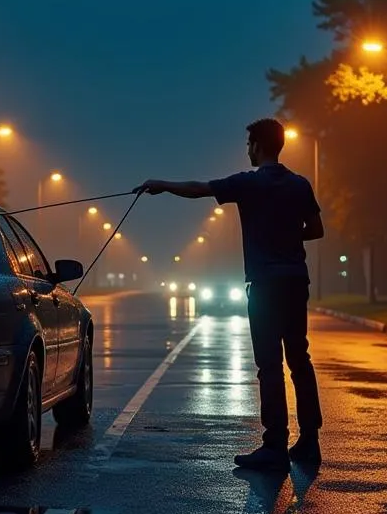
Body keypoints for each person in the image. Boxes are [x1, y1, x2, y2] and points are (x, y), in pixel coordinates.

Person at [137, 117, 325, 471]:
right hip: (296, 281)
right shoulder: (300, 184)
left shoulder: (248, 184)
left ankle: (274, 446)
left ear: (257, 146)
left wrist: (160, 184)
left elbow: (200, 189)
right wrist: (287, 236)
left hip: (265, 284)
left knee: (269, 363)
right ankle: (310, 441)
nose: (247, 150)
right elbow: (316, 230)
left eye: (249, 144)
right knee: (299, 358)